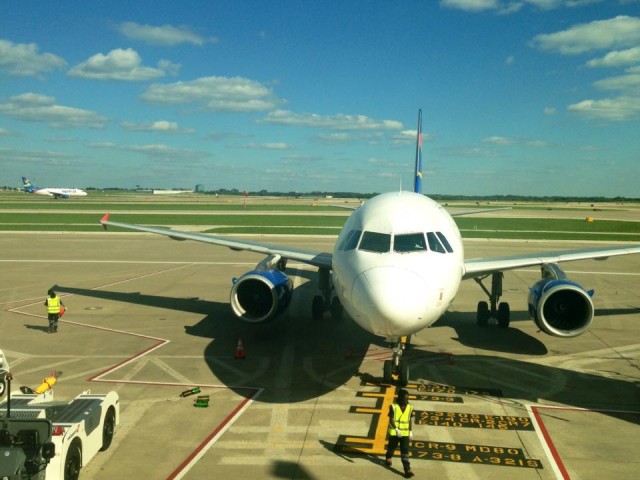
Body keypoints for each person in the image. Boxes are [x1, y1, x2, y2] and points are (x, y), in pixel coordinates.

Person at [385, 389, 415, 478]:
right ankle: (388, 457)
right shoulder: (393, 407)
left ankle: (407, 470)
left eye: (407, 398)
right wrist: (396, 429)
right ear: (400, 398)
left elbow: (409, 420)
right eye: (404, 398)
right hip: (395, 433)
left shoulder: (410, 407)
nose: (406, 400)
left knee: (405, 451)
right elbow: (391, 419)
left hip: (405, 433)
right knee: (391, 447)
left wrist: (410, 431)